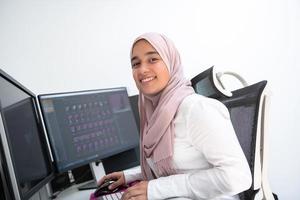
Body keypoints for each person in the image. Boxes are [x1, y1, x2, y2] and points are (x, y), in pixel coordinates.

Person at [97, 32, 252, 200]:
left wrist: (156, 189)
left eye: (153, 59)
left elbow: (237, 177)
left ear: (171, 62)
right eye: (136, 63)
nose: (142, 69)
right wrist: (132, 176)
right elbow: (175, 166)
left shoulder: (196, 109)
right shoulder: (153, 113)